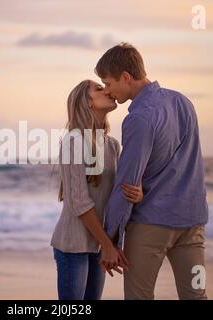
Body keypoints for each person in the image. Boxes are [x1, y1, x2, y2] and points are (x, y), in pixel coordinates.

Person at [96, 42, 209, 300]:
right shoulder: (183, 102)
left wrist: (111, 238)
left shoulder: (139, 118)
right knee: (196, 296)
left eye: (108, 82)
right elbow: (188, 164)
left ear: (125, 77)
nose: (108, 90)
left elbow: (127, 182)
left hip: (151, 224)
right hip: (192, 221)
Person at [50, 79, 143, 300]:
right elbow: (79, 203)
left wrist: (138, 194)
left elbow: (117, 195)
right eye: (99, 89)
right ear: (87, 102)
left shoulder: (112, 145)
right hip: (73, 246)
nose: (107, 91)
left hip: (99, 246)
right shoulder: (72, 142)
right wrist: (107, 245)